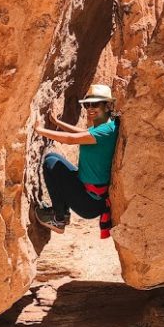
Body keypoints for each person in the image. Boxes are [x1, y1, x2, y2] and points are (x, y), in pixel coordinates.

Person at [33, 84, 119, 236]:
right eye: (87, 104)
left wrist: (40, 130)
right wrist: (58, 124)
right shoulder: (106, 126)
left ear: (107, 106)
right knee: (53, 158)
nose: (90, 108)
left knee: (51, 164)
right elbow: (83, 133)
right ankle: (62, 213)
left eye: (95, 104)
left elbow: (71, 140)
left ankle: (58, 219)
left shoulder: (106, 131)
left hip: (90, 202)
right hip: (88, 192)